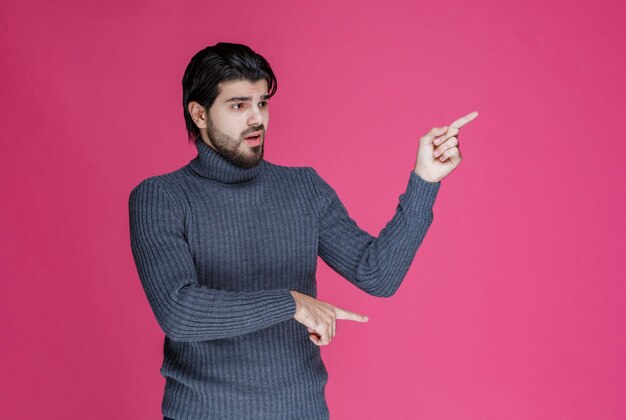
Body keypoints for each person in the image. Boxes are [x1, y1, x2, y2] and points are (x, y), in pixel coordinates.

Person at [128, 42, 477, 420]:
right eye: (238, 105)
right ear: (199, 113)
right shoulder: (160, 197)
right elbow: (179, 312)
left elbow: (377, 275)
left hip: (301, 410)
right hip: (203, 412)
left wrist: (424, 181)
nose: (256, 118)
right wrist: (292, 302)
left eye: (262, 103)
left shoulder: (304, 188)